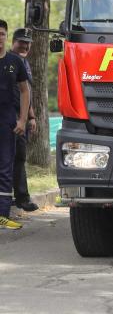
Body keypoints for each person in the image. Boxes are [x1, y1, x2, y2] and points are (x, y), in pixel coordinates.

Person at [0, 20, 29, 230]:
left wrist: (23, 119)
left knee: (5, 168)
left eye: (1, 33)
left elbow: (25, 91)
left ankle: (2, 215)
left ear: (6, 36)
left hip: (7, 121)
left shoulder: (14, 61)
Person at [10, 28, 38, 212]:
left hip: (21, 117)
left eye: (27, 42)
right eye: (21, 41)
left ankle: (20, 197)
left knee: (19, 157)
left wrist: (31, 116)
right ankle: (19, 197)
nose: (25, 45)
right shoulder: (9, 61)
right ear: (13, 42)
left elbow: (26, 92)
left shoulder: (24, 62)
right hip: (9, 116)